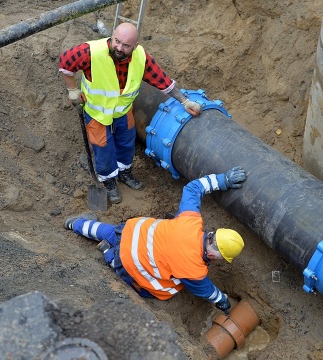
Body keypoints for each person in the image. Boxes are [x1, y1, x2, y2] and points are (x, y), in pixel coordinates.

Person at [63, 166, 247, 314]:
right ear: (215, 255)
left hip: (130, 231)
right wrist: (222, 301)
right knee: (160, 291)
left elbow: (194, 188)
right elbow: (206, 291)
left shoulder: (191, 221)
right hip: (127, 259)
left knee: (107, 231)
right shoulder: (193, 270)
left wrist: (224, 180)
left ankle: (76, 224)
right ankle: (108, 254)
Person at [58, 22, 202, 204]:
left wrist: (185, 101)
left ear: (135, 45)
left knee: (126, 143)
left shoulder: (140, 57)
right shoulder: (91, 52)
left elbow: (162, 81)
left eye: (126, 45)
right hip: (97, 113)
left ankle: (124, 173)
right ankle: (109, 180)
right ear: (112, 36)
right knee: (103, 149)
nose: (119, 47)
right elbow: (65, 63)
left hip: (123, 111)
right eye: (116, 41)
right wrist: (72, 89)